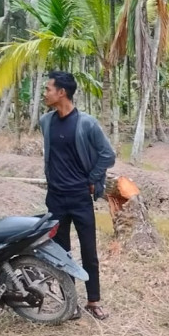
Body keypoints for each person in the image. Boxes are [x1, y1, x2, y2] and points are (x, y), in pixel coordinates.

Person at [39, 70, 116, 320]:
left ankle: (93, 301)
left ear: (62, 93)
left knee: (88, 252)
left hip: (80, 198)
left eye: (48, 89)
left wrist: (92, 179)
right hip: (56, 198)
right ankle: (69, 301)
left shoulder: (87, 123)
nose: (45, 93)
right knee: (61, 253)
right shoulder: (46, 122)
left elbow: (108, 155)